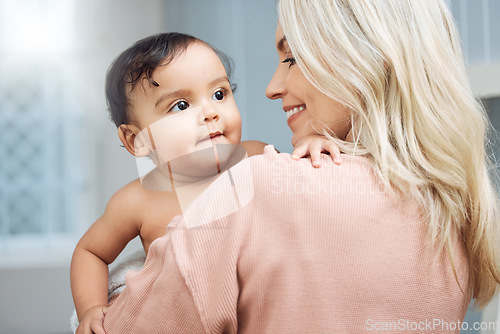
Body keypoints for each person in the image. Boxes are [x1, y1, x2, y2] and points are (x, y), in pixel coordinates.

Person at [102, 0, 500, 332]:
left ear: (365, 60)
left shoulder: (256, 184)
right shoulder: (455, 216)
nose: (271, 87)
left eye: (291, 57)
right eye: (181, 105)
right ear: (134, 139)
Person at [70, 32, 337, 334]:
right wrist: (91, 309)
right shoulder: (137, 201)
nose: (210, 113)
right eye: (181, 105)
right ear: (137, 140)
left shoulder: (255, 156)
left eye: (219, 94)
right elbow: (91, 252)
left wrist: (313, 143)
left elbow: (301, 199)